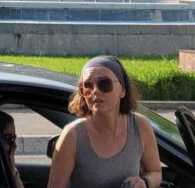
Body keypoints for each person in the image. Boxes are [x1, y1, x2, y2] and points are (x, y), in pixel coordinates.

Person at [46, 56, 162, 188]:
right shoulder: (73, 136)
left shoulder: (140, 126)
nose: (95, 91)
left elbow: (155, 172)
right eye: (88, 85)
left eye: (104, 83)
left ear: (123, 90)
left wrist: (144, 183)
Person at [0, 110, 26, 188]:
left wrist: (12, 170)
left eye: (14, 138)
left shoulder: (5, 168)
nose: (14, 145)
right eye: (9, 138)